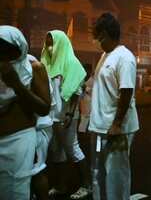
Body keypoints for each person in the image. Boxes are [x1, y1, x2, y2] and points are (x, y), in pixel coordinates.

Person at [89, 13, 139, 200]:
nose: (95, 40)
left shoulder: (124, 57)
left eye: (97, 35)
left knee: (116, 175)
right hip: (100, 126)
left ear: (105, 34)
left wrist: (117, 123)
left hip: (116, 129)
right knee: (100, 172)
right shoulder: (105, 55)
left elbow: (126, 91)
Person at [0, 25, 51, 200]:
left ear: (19, 48)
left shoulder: (33, 67)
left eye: (7, 50)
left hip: (19, 139)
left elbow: (44, 108)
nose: (4, 56)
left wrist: (17, 85)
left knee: (17, 190)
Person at [41, 30, 90, 199]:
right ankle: (61, 185)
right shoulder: (47, 62)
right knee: (57, 151)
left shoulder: (71, 62)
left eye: (52, 43)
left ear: (61, 43)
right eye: (47, 43)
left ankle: (86, 185)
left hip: (66, 115)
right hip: (52, 116)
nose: (49, 47)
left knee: (72, 148)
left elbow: (77, 89)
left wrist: (70, 113)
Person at [28, 54, 54, 200]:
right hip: (28, 127)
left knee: (37, 171)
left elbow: (45, 105)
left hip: (37, 127)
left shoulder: (33, 65)